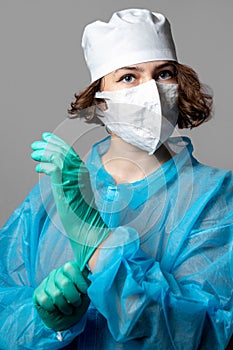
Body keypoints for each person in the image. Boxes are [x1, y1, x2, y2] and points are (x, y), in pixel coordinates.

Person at [0, 8, 232, 350]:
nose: (152, 90)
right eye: (128, 77)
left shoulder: (213, 199)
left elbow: (202, 333)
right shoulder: (56, 195)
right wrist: (47, 321)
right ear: (100, 100)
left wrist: (95, 240)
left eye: (163, 74)